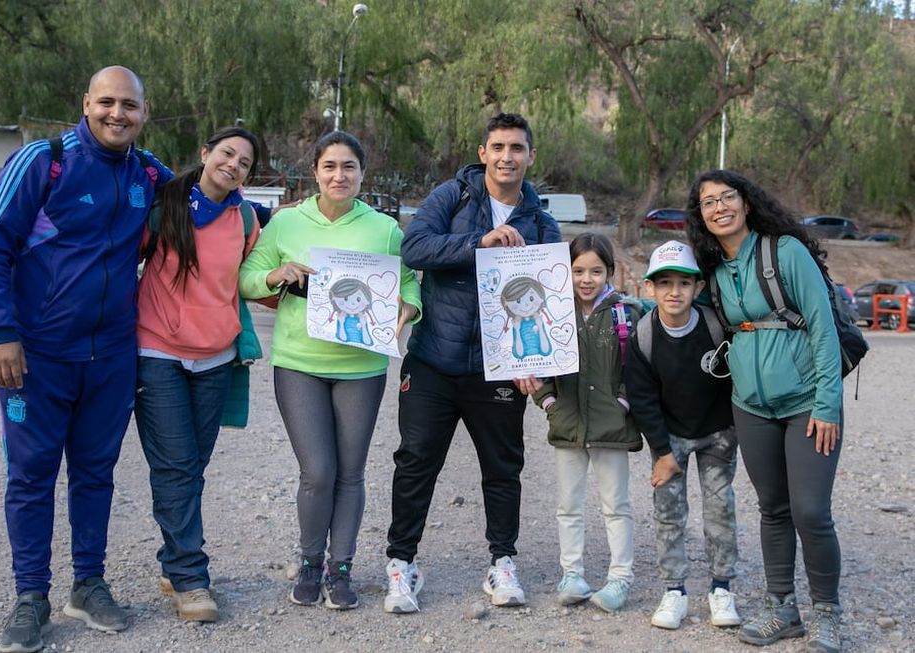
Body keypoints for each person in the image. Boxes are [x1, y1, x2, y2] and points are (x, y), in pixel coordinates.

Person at [0, 66, 172, 653]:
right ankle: (31, 595)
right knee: (31, 476)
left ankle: (88, 583)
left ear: (143, 111)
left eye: (129, 105)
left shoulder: (146, 171)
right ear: (86, 103)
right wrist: (0, 333)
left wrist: (269, 222)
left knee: (95, 473)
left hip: (111, 355)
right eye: (107, 102)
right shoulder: (44, 160)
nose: (118, 114)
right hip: (36, 355)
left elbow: (202, 197)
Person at [384, 113, 561, 614]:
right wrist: (476, 243)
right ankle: (401, 564)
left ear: (530, 156)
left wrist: (539, 362)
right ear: (482, 152)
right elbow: (414, 247)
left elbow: (548, 298)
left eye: (518, 148)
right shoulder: (452, 197)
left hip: (499, 369)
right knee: (416, 462)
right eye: (498, 147)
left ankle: (502, 562)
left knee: (503, 469)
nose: (508, 157)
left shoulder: (542, 221)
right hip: (434, 361)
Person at [239, 131, 421, 610]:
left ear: (362, 174)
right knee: (318, 471)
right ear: (315, 171)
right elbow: (246, 277)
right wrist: (275, 276)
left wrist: (409, 308)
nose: (339, 176)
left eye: (349, 167)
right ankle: (309, 561)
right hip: (299, 362)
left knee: (351, 472)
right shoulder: (285, 224)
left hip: (361, 366)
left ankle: (341, 568)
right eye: (329, 166)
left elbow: (407, 281)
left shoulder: (383, 228)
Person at [685, 169, 844, 652]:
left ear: (747, 203)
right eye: (708, 203)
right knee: (773, 510)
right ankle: (782, 607)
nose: (719, 208)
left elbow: (823, 329)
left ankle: (827, 613)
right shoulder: (712, 272)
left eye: (726, 197)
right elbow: (677, 311)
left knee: (811, 511)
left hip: (805, 405)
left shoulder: (785, 252)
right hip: (750, 406)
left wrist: (828, 405)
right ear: (702, 216)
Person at [134, 126, 264, 623]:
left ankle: (173, 559)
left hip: (215, 358)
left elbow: (248, 279)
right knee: (175, 467)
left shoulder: (246, 218)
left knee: (193, 466)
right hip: (158, 351)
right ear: (206, 154)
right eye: (227, 153)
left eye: (245, 163)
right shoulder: (164, 204)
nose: (233, 165)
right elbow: (126, 256)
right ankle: (190, 577)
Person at [518, 233, 642, 613]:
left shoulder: (627, 314)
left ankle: (620, 577)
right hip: (568, 423)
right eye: (577, 271)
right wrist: (548, 400)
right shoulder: (553, 312)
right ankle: (571, 574)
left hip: (612, 426)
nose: (586, 279)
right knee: (568, 505)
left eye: (595, 271)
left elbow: (636, 367)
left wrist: (622, 401)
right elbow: (535, 364)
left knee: (616, 504)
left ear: (610, 272)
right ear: (565, 272)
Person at [623, 240, 741, 630]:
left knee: (719, 510)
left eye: (684, 284)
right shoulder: (643, 336)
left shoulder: (715, 326)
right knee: (669, 514)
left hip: (717, 433)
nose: (675, 292)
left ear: (698, 287)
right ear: (650, 288)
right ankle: (674, 590)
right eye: (665, 283)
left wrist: (733, 431)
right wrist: (662, 452)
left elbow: (735, 380)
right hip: (670, 437)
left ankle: (721, 588)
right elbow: (642, 399)